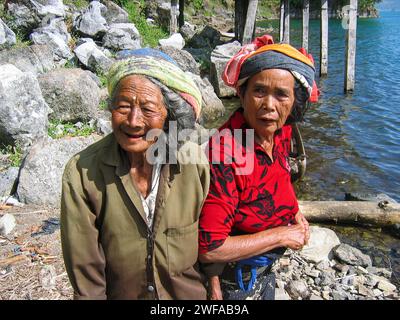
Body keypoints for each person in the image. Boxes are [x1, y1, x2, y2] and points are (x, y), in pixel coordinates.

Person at [60, 49, 210, 300]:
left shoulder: (193, 164)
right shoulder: (83, 173)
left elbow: (210, 242)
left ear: (168, 116)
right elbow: (87, 278)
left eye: (148, 109)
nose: (133, 120)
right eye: (123, 106)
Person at [198, 35, 319, 300]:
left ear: (294, 102)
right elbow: (210, 248)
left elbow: (280, 174)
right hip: (235, 280)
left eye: (281, 95)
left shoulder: (281, 131)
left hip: (262, 270)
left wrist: (294, 211)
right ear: (242, 93)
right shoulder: (225, 155)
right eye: (259, 91)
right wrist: (282, 235)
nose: (269, 105)